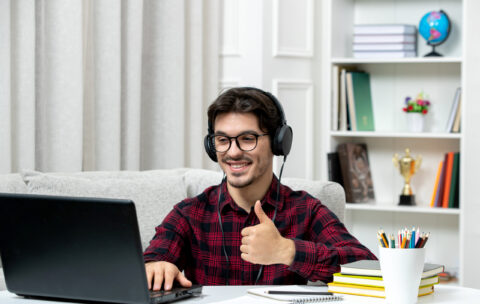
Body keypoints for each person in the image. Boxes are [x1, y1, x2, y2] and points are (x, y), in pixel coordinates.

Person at [143, 87, 376, 291]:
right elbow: (152, 261)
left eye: (247, 138)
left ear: (278, 142)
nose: (233, 152)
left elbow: (368, 271)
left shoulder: (305, 210)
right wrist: (156, 268)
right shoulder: (190, 213)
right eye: (222, 140)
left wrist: (288, 251)